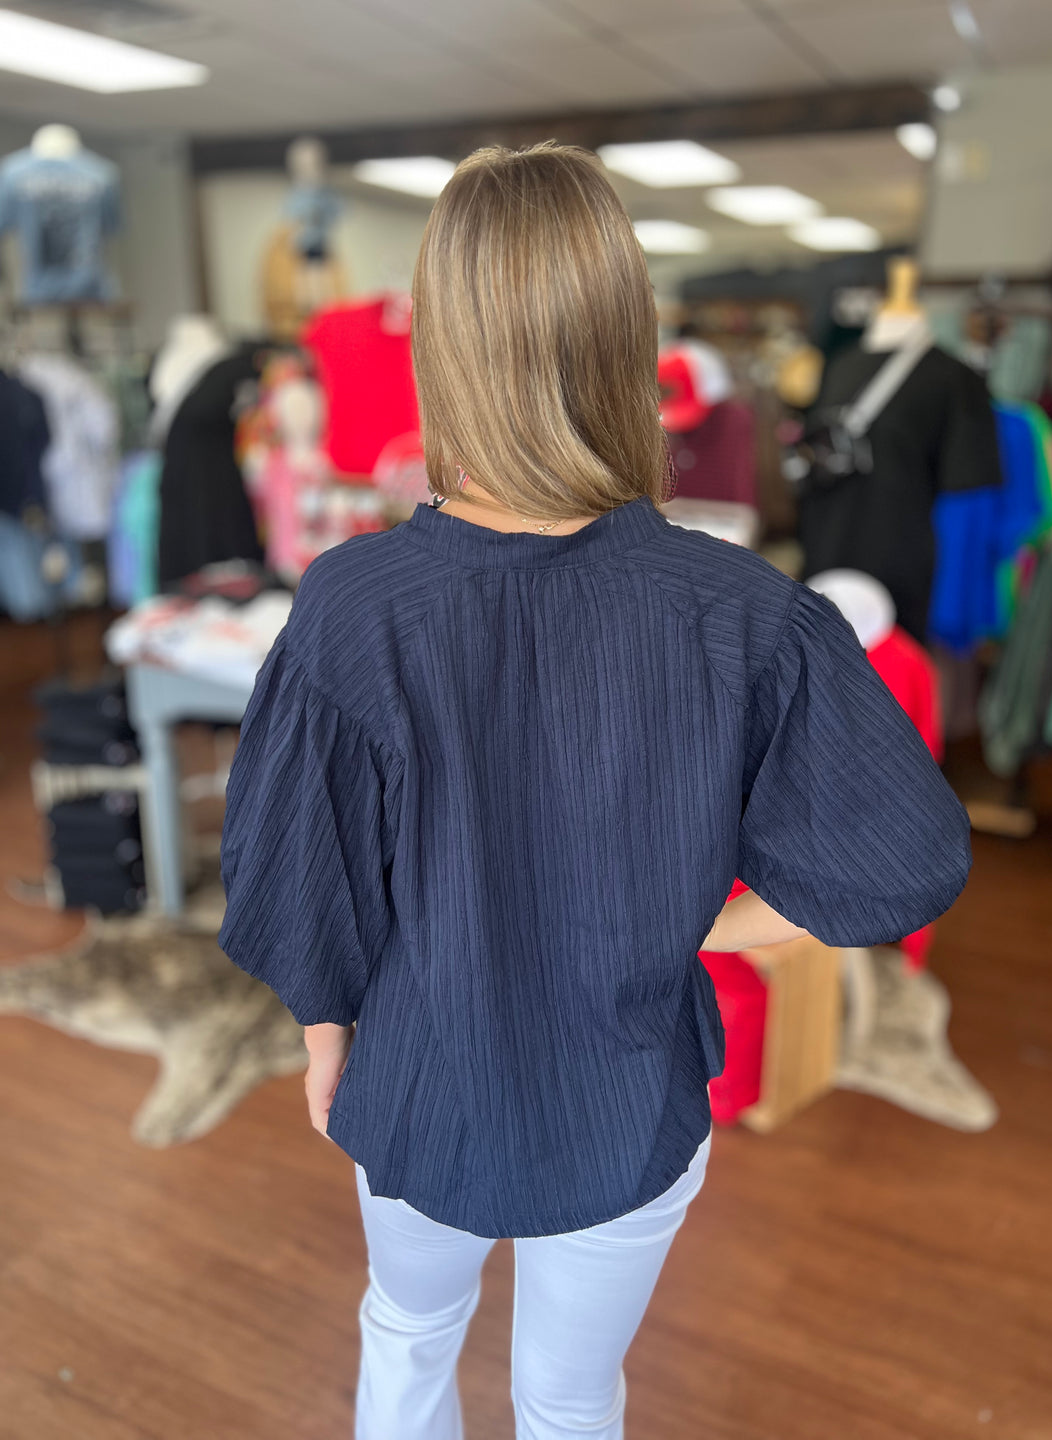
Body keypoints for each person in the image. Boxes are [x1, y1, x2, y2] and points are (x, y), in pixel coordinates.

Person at [217, 142, 972, 1440]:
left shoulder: (352, 607)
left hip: (419, 1079)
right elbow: (899, 856)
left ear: (440, 348)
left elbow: (300, 878)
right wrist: (699, 923)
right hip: (625, 1091)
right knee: (572, 1400)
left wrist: (326, 1042)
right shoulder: (742, 612)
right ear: (629, 341)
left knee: (406, 1337)